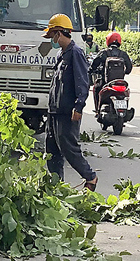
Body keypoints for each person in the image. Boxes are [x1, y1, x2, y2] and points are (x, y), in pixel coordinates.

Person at [43, 13, 98, 191]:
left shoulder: (75, 53)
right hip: (54, 110)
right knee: (51, 151)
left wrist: (79, 106)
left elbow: (82, 82)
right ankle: (55, 187)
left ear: (60, 33)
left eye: (52, 35)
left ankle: (90, 177)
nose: (52, 39)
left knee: (69, 148)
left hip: (67, 111)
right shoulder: (61, 54)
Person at [90, 32, 132, 97]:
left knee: (97, 88)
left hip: (105, 82)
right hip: (120, 83)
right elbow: (129, 69)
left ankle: (98, 106)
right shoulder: (123, 54)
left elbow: (94, 65)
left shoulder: (103, 53)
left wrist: (91, 70)